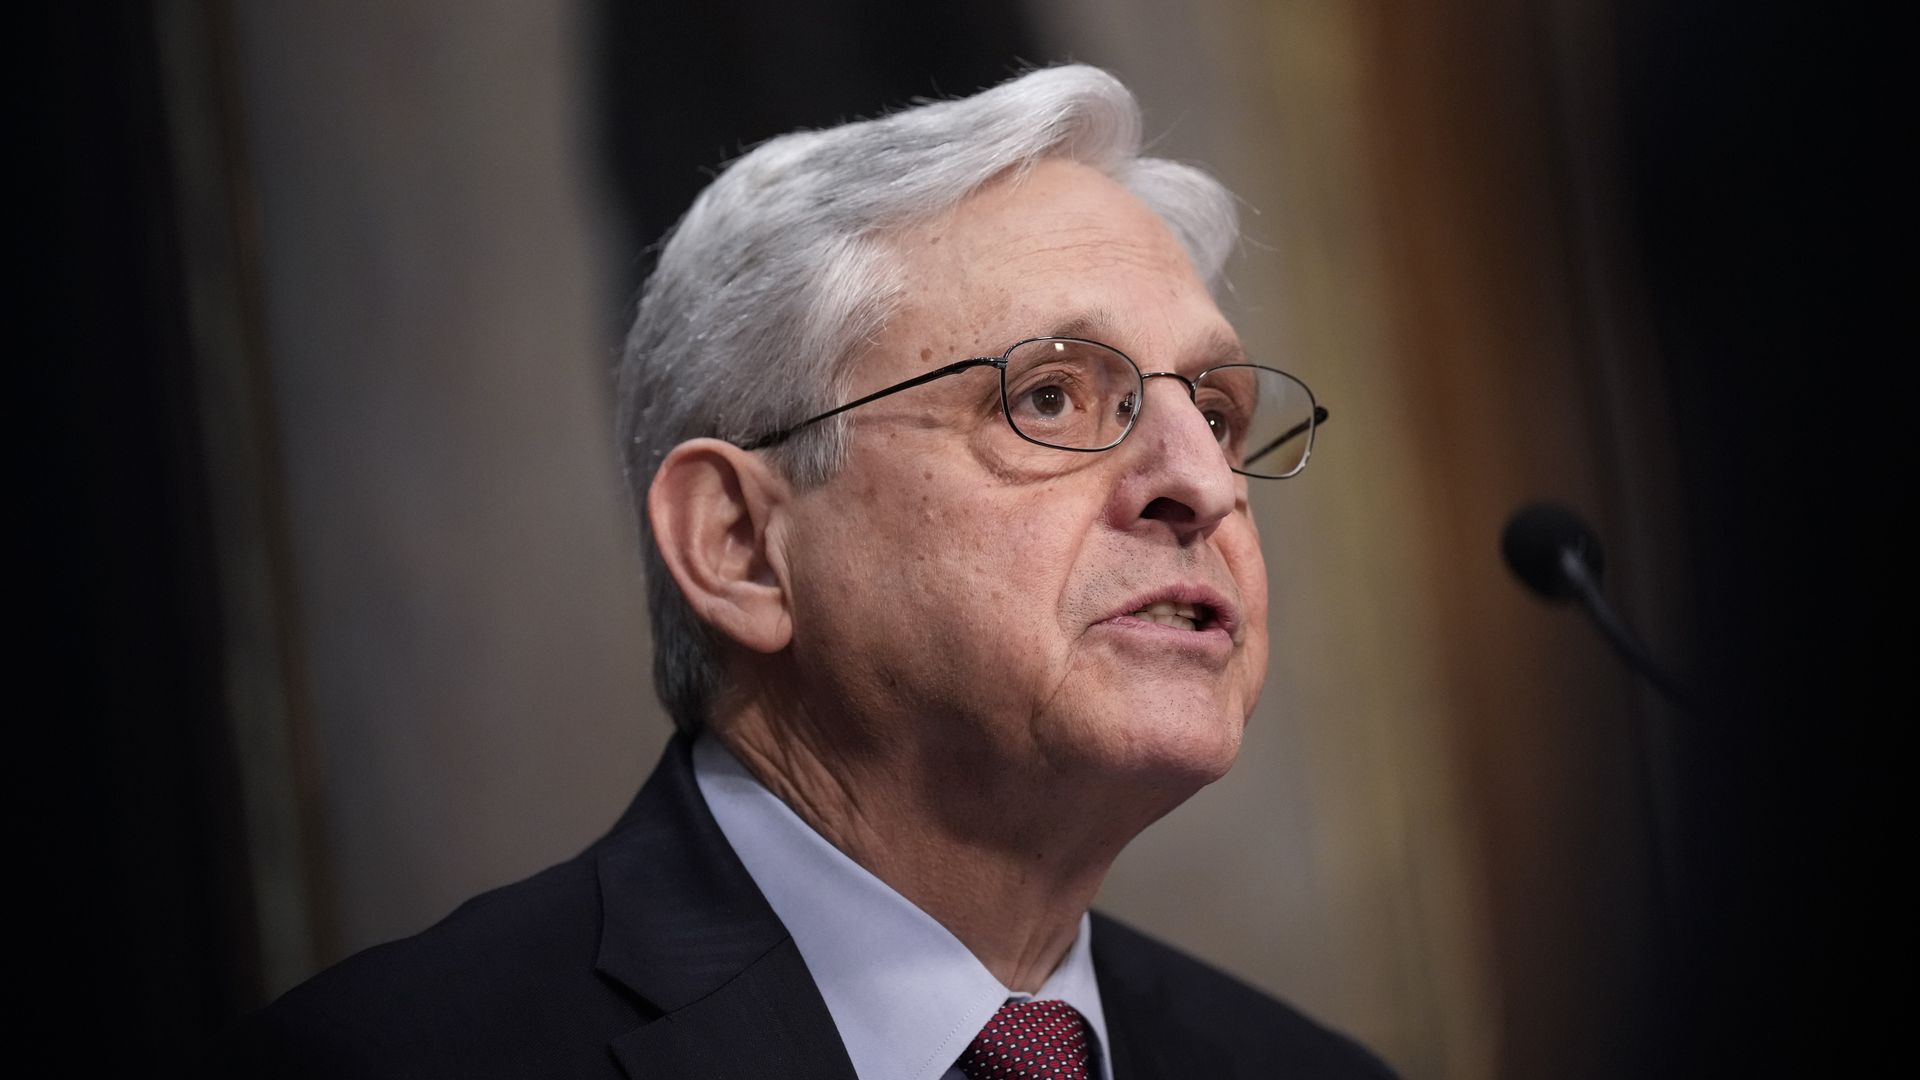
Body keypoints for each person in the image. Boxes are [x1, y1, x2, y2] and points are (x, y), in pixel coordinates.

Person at [229, 64, 1394, 1080]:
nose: (1203, 483)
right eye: (1049, 397)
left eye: (1219, 410)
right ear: (739, 544)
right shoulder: (402, 1060)